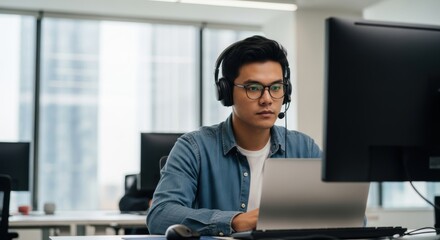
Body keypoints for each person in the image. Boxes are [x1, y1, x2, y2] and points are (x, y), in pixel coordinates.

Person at [146, 35, 321, 236]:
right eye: (253, 88)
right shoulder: (194, 148)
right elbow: (161, 214)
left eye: (275, 87)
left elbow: (348, 217)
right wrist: (235, 221)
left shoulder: (304, 148)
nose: (267, 99)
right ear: (226, 92)